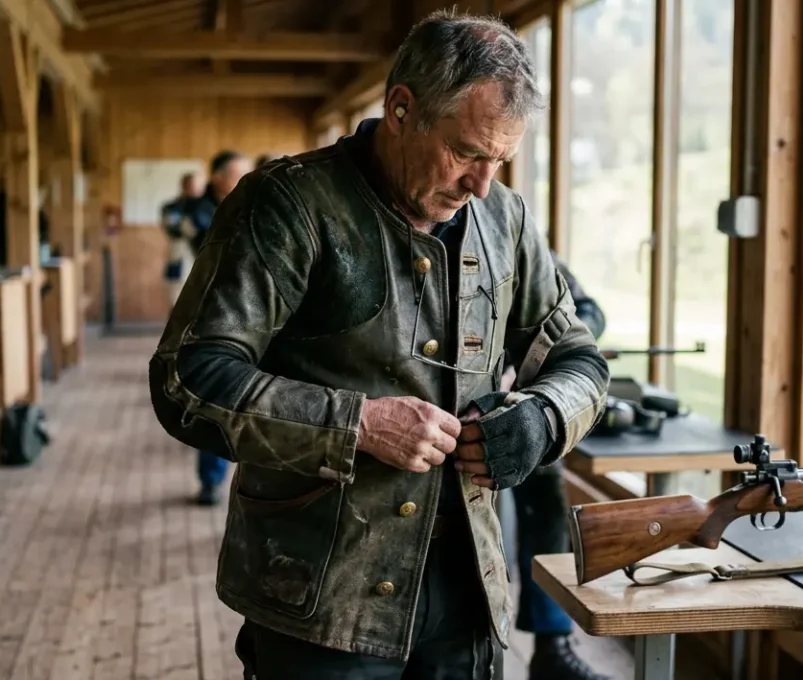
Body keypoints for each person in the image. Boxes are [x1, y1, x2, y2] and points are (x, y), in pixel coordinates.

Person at [149, 10, 608, 680]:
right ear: (401, 109)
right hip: (318, 593)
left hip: (469, 590)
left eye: (500, 161)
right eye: (467, 153)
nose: (482, 185)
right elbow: (187, 381)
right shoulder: (286, 205)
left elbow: (578, 358)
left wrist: (542, 420)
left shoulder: (505, 218)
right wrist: (356, 424)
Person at [501, 254, 611, 680]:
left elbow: (588, 314)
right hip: (438, 420)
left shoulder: (527, 252)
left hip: (521, 412)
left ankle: (552, 643)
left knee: (546, 513)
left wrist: (528, 365)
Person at [175, 150, 254, 506]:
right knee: (215, 397)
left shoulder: (249, 205)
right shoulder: (201, 212)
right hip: (210, 314)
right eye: (238, 174)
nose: (244, 180)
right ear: (219, 177)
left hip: (251, 312)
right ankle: (210, 479)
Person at [160, 172, 204, 309]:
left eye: (197, 187)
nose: (195, 190)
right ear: (184, 186)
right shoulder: (172, 207)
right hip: (179, 253)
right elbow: (172, 229)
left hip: (201, 253)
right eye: (191, 186)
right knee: (176, 296)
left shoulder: (206, 207)